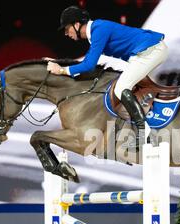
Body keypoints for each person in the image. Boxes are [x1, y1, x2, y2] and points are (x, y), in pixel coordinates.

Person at [46, 6, 168, 151]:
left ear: (77, 25)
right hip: (145, 52)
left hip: (150, 51)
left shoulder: (99, 29)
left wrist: (61, 70)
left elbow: (89, 65)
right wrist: (60, 63)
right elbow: (88, 61)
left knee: (121, 87)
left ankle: (144, 131)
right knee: (122, 85)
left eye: (67, 29)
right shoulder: (96, 31)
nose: (66, 33)